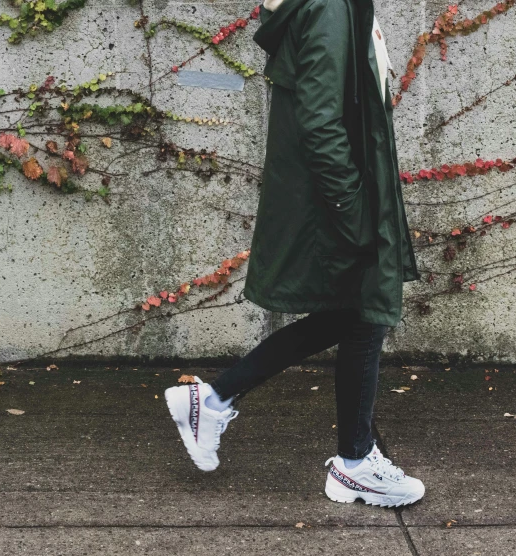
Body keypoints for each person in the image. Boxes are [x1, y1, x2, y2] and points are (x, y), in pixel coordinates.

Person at [165, 0, 423, 507]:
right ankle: (353, 463)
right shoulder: (327, 8)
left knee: (351, 316)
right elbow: (321, 121)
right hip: (340, 201)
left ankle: (214, 401)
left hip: (339, 196)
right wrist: (354, 212)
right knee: (365, 316)